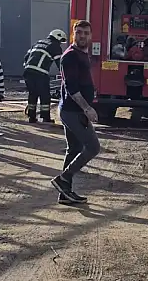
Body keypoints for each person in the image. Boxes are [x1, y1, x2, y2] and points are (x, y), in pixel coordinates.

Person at [51, 20, 100, 205]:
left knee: (74, 149)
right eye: (79, 32)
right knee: (93, 147)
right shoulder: (70, 56)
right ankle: (63, 179)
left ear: (91, 35)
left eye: (86, 33)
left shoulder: (81, 54)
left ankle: (65, 193)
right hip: (73, 111)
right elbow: (72, 88)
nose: (82, 36)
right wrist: (87, 108)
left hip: (72, 110)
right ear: (73, 34)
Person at [23, 29, 68, 124]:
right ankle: (45, 117)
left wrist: (27, 66)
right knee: (45, 95)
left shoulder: (38, 43)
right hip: (40, 73)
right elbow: (60, 63)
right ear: (58, 37)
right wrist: (66, 75)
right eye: (61, 41)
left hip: (28, 72)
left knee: (32, 94)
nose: (60, 43)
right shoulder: (54, 46)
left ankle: (31, 117)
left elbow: (26, 56)